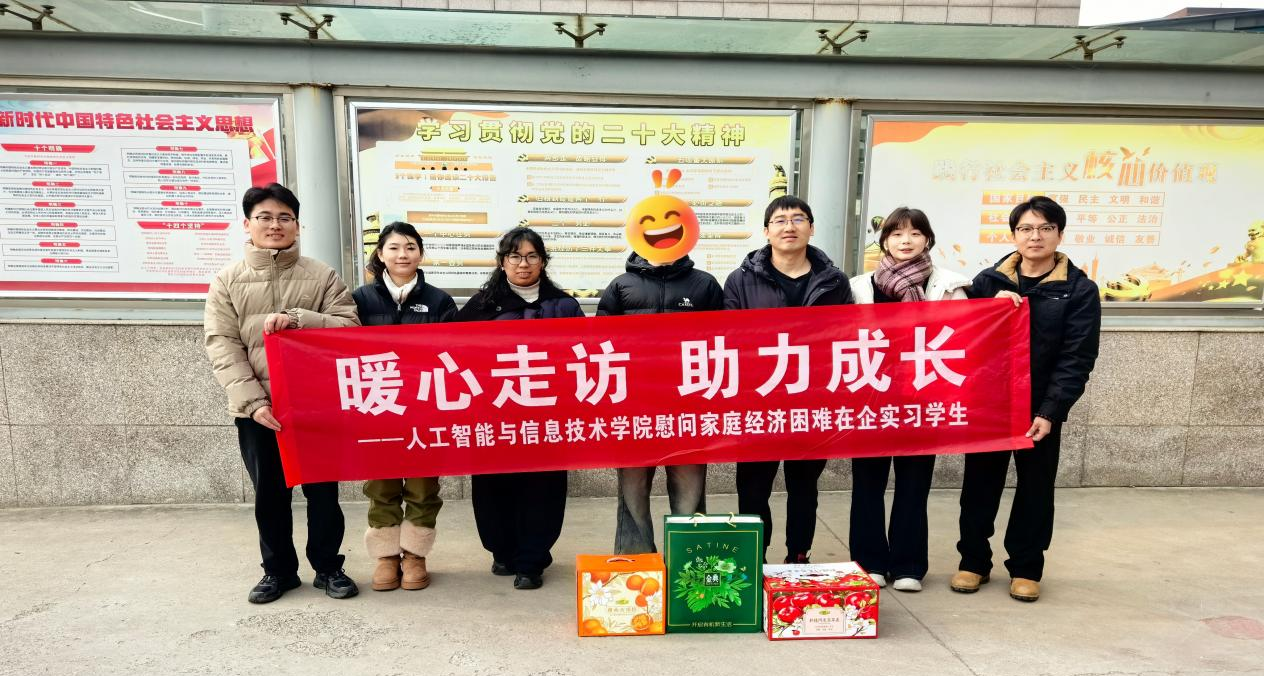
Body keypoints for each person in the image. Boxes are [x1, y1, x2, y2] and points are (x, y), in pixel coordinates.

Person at [204, 183, 361, 604]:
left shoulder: (322, 275)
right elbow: (222, 344)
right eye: (265, 217)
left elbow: (350, 328)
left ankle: (328, 567)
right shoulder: (227, 281)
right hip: (259, 412)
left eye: (284, 218)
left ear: (297, 225)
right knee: (269, 496)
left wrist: (299, 318)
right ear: (247, 224)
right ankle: (278, 572)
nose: (275, 225)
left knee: (323, 493)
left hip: (316, 407)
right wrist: (254, 403)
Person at [953, 195, 1100, 603]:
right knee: (979, 485)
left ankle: (1026, 567)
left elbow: (1077, 357)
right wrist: (987, 309)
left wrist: (1051, 410)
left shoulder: (1079, 289)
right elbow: (962, 337)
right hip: (990, 402)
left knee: (1035, 488)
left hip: (1039, 406)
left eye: (1045, 228)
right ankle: (973, 561)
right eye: (1026, 229)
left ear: (1059, 234)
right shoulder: (988, 281)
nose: (1035, 237)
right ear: (1014, 235)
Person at [722, 195, 852, 564]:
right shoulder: (741, 280)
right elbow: (729, 339)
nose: (789, 226)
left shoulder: (834, 281)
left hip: (813, 401)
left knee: (804, 487)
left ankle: (798, 557)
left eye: (798, 219)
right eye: (779, 220)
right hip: (758, 402)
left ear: (811, 228)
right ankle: (754, 558)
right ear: (766, 231)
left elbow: (846, 336)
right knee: (752, 488)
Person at [848, 207, 970, 592]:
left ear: (927, 240)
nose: (906, 240)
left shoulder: (948, 287)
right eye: (897, 233)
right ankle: (868, 563)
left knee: (914, 484)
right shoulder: (859, 288)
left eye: (915, 233)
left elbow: (965, 339)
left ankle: (908, 566)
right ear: (884, 240)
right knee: (867, 484)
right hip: (870, 400)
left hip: (922, 400)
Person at [455, 227, 583, 590]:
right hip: (496, 415)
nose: (523, 264)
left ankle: (532, 559)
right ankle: (503, 551)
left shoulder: (564, 306)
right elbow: (456, 354)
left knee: (541, 489)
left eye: (531, 256)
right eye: (514, 256)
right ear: (502, 262)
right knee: (494, 488)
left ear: (543, 261)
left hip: (546, 417)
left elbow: (583, 356)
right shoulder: (481, 307)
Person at [598, 230, 725, 555]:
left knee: (690, 492)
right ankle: (637, 563)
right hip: (634, 408)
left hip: (689, 408)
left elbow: (724, 344)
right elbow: (600, 346)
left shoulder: (705, 285)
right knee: (632, 491)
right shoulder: (620, 286)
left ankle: (690, 562)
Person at [352, 221, 456, 592]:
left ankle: (414, 555)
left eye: (410, 247)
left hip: (425, 406)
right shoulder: (360, 299)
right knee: (381, 484)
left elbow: (452, 354)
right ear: (381, 254)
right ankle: (385, 556)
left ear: (420, 254)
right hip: (377, 405)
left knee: (423, 486)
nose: (402, 254)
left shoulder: (440, 301)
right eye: (394, 247)